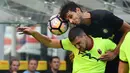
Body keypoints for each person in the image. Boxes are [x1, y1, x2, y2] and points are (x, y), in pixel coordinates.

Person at [59, 1, 130, 73]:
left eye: (71, 16)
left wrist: (115, 53)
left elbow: (128, 29)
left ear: (78, 10)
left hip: (121, 55)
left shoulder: (103, 16)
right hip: (103, 60)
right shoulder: (80, 28)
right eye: (68, 20)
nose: (71, 21)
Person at [17, 26, 116, 73]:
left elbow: (123, 48)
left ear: (84, 36)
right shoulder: (70, 44)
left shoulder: (104, 43)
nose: (77, 47)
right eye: (74, 45)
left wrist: (114, 53)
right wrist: (34, 33)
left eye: (78, 43)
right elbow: (49, 42)